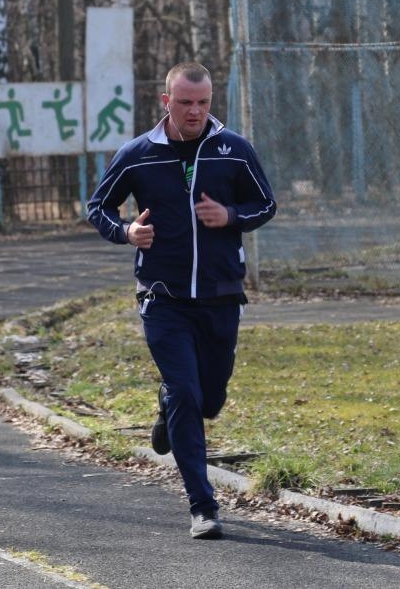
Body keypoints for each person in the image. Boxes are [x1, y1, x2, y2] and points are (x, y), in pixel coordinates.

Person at [86, 62, 276, 540]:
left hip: (221, 295)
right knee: (188, 396)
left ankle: (168, 407)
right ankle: (202, 506)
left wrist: (230, 214)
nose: (195, 112)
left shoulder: (233, 150)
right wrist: (127, 231)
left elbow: (266, 204)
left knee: (208, 399)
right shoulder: (138, 154)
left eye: (203, 102)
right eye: (186, 102)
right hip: (163, 296)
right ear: (166, 102)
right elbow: (98, 206)